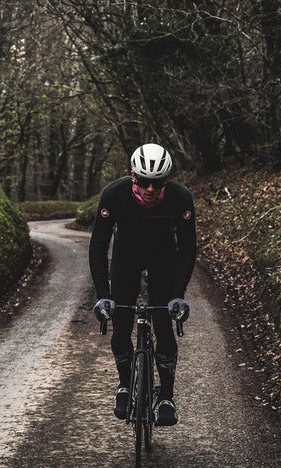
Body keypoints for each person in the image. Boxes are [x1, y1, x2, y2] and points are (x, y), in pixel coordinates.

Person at [89, 143, 196, 426]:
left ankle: (167, 396)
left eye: (157, 183)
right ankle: (125, 384)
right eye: (144, 182)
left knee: (163, 323)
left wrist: (178, 295)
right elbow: (98, 246)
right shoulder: (114, 194)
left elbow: (187, 249)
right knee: (121, 325)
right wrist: (103, 295)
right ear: (133, 176)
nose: (150, 189)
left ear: (167, 180)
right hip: (126, 259)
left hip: (164, 260)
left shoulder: (179, 198)